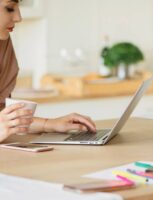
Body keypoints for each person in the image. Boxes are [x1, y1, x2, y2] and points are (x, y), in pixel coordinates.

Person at [0, 0, 96, 143]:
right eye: (9, 8)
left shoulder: (3, 42)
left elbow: (4, 119)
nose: (18, 17)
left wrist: (49, 124)